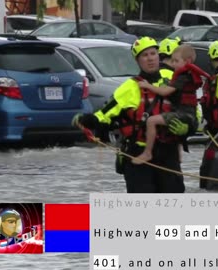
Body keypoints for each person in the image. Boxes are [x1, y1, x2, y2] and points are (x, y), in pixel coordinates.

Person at [72, 36, 190, 193]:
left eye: (153, 53)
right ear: (137, 60)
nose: (150, 59)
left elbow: (191, 112)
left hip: (169, 154)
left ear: (158, 55)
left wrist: (187, 127)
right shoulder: (128, 87)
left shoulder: (173, 81)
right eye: (144, 55)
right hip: (137, 154)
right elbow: (104, 116)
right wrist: (86, 120)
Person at [132, 44, 200, 165]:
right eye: (172, 60)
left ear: (187, 61)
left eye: (176, 61)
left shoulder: (183, 77)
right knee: (169, 124)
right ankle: (178, 154)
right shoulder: (187, 75)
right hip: (187, 114)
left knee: (151, 121)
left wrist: (147, 86)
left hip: (184, 115)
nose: (173, 64)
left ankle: (147, 152)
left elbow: (165, 91)